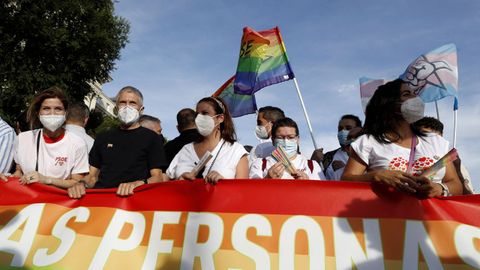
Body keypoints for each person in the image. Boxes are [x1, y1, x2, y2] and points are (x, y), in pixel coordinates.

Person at [342, 79, 462, 197]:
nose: (416, 98)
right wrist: (376, 176)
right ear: (389, 104)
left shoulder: (436, 142)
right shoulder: (367, 142)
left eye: (415, 94)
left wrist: (440, 189)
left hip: (431, 216)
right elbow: (345, 181)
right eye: (406, 94)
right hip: (389, 216)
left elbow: (456, 185)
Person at [68, 86, 166, 198]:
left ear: (141, 109)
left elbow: (157, 177)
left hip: (131, 202)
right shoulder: (103, 137)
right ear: (116, 108)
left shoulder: (152, 138)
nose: (127, 107)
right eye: (123, 103)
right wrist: (81, 184)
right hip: (101, 200)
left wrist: (138, 184)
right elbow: (92, 176)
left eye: (132, 103)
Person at [5, 87, 89, 188]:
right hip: (28, 201)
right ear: (38, 112)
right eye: (46, 108)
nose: (52, 113)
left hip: (56, 202)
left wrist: (47, 180)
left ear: (66, 113)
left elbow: (77, 183)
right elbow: (19, 171)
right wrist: (7, 178)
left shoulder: (78, 144)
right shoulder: (23, 139)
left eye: (58, 109)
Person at [166, 97, 248, 184]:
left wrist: (223, 183)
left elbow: (243, 190)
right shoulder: (186, 150)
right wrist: (180, 180)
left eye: (205, 113)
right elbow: (164, 182)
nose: (199, 118)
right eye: (197, 115)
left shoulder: (235, 150)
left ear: (220, 118)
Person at [413, 116, 474, 194]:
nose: (431, 141)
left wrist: (440, 188)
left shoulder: (447, 157)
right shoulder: (404, 150)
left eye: (436, 138)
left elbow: (460, 189)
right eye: (425, 135)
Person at [250, 117, 326, 180]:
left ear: (298, 139)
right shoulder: (260, 164)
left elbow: (323, 194)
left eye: (291, 137)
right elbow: (251, 193)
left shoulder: (311, 165)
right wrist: (267, 179)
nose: (286, 141)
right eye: (280, 138)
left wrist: (308, 183)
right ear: (273, 140)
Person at [321, 114, 362, 180]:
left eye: (348, 128)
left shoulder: (367, 154)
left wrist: (342, 170)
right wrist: (314, 161)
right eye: (340, 129)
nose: (343, 131)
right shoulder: (327, 157)